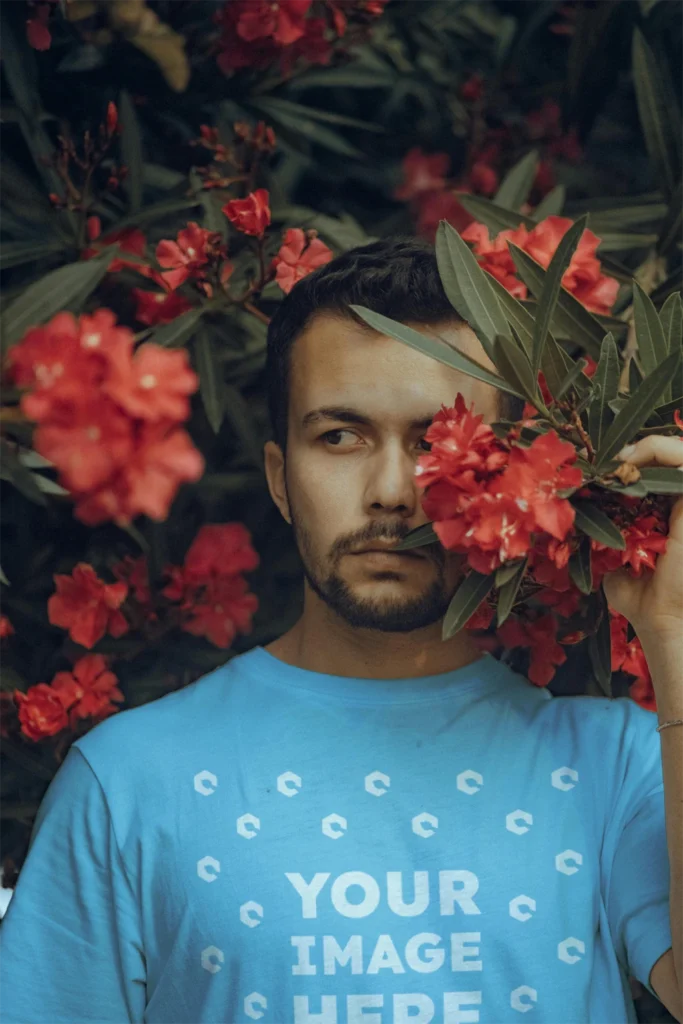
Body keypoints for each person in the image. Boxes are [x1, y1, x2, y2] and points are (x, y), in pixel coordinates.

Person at [0, 237, 679, 1024]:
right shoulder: (127, 783)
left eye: (435, 441)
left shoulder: (616, 766)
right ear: (278, 478)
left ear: (511, 473)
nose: (391, 492)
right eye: (338, 437)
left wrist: (673, 629)